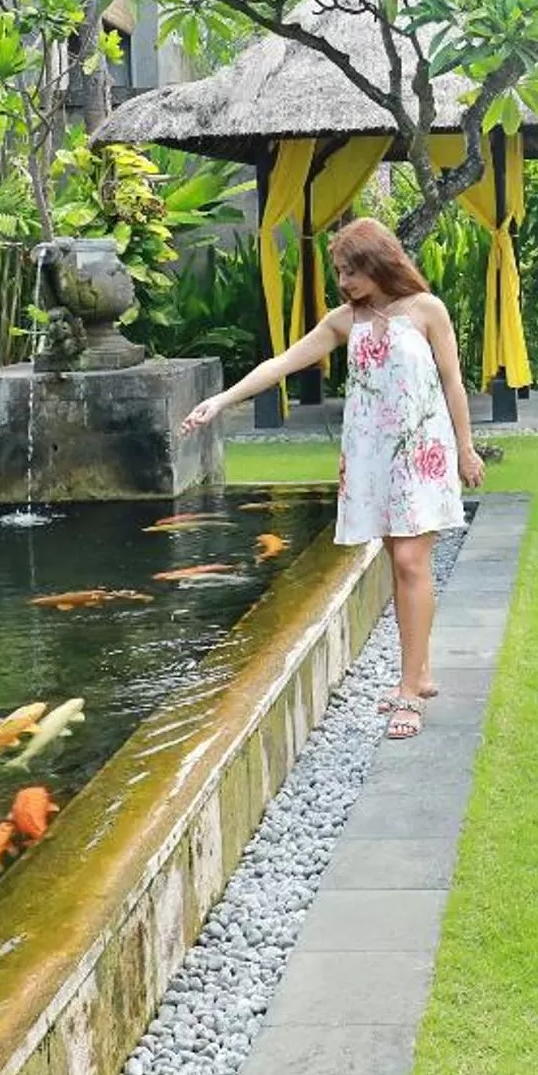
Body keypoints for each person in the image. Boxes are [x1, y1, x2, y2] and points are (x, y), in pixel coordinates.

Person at [179, 217, 483, 739]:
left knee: (411, 561)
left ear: (380, 262)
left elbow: (453, 384)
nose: (344, 282)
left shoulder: (427, 311)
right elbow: (282, 363)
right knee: (398, 560)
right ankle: (422, 672)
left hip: (421, 453)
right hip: (372, 455)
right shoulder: (344, 321)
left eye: (352, 271)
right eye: (340, 272)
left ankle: (409, 692)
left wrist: (466, 449)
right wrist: (221, 401)